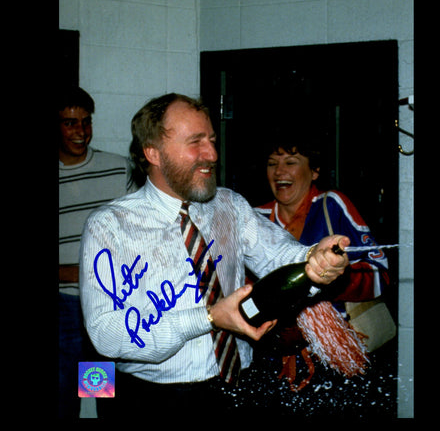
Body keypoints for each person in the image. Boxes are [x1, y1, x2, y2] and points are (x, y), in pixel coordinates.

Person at [79, 93, 351, 420]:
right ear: (154, 153)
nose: (212, 154)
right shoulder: (109, 225)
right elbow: (106, 336)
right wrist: (207, 318)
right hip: (151, 398)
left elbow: (279, 254)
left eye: (211, 140)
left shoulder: (229, 205)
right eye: (196, 142)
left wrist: (315, 259)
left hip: (236, 386)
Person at [245, 127, 392, 418]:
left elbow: (380, 274)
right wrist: (279, 329)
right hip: (274, 361)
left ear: (314, 171)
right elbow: (245, 293)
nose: (279, 171)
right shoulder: (254, 218)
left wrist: (326, 283)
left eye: (291, 161)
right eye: (272, 163)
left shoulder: (332, 206)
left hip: (336, 360)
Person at [59, 86, 136, 418]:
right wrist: (77, 273)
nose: (81, 132)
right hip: (64, 310)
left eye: (86, 122)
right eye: (70, 123)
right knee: (63, 399)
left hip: (105, 309)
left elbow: (141, 235)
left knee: (101, 396)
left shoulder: (117, 169)